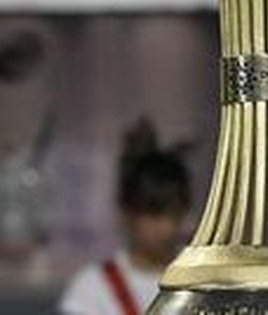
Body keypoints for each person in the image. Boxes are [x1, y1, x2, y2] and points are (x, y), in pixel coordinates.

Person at [58, 120, 192, 315]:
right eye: (154, 214)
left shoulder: (201, 282)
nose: (167, 227)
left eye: (174, 214)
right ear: (127, 213)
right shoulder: (92, 290)